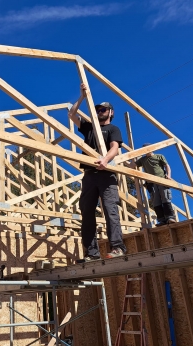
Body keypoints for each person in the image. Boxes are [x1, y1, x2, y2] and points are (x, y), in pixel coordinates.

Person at [68, 83, 127, 262]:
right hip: (89, 175)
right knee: (86, 212)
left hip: (106, 174)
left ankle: (117, 247)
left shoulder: (113, 129)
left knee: (110, 210)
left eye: (103, 109)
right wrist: (82, 97)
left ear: (111, 113)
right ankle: (91, 253)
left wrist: (105, 160)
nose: (100, 111)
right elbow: (71, 114)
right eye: (98, 109)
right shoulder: (89, 128)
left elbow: (115, 147)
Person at [136, 143, 176, 226]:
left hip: (161, 180)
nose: (146, 151)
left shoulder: (159, 156)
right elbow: (132, 165)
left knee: (165, 198)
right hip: (151, 183)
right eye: (143, 150)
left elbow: (167, 166)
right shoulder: (142, 160)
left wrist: (168, 176)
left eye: (147, 149)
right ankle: (162, 220)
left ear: (151, 149)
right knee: (156, 202)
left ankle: (170, 218)